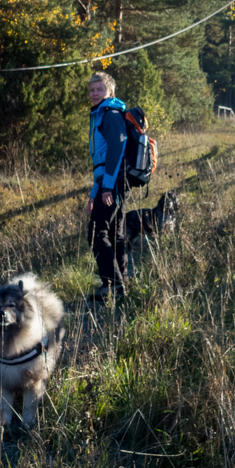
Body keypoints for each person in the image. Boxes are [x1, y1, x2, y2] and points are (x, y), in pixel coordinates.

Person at [86, 72, 128, 299]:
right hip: (110, 182)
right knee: (114, 233)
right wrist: (95, 192)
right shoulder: (101, 114)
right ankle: (122, 282)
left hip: (113, 182)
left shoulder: (110, 114)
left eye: (99, 90)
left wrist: (108, 188)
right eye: (92, 90)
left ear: (110, 92)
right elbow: (100, 161)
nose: (94, 94)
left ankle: (112, 285)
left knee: (96, 233)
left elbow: (116, 150)